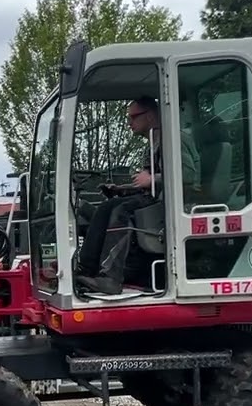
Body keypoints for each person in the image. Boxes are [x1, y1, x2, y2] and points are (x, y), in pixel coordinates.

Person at [75, 96, 201, 295]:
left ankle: (110, 277)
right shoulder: (154, 142)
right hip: (156, 199)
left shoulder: (174, 139)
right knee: (107, 206)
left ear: (150, 115)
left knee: (121, 210)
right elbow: (148, 182)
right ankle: (86, 269)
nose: (129, 124)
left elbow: (189, 175)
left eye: (133, 117)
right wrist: (122, 189)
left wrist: (153, 180)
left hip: (175, 204)